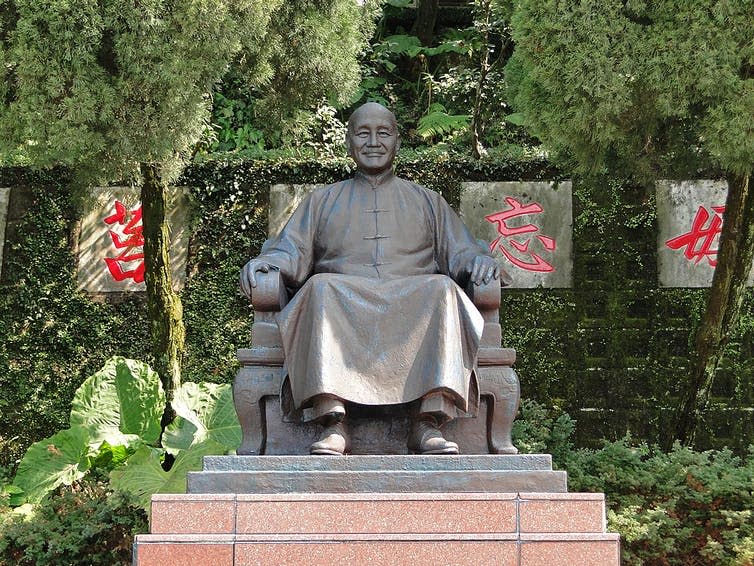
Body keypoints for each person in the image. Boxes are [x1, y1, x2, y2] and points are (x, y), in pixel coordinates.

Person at [240, 102, 505, 455]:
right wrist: (268, 263)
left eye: (383, 133)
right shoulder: (322, 201)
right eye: (363, 133)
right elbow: (291, 251)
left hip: (414, 298)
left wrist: (479, 262)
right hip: (341, 299)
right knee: (319, 287)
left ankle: (427, 423)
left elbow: (461, 251)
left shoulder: (428, 201)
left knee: (443, 289)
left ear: (397, 142)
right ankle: (333, 422)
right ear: (349, 143)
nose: (373, 142)